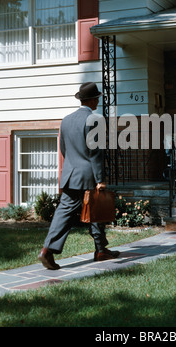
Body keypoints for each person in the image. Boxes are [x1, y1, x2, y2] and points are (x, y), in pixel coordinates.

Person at [38, 82, 120, 270]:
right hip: (88, 174)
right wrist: (100, 179)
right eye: (97, 98)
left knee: (69, 212)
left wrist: (73, 167)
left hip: (70, 173)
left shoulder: (66, 120)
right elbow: (95, 153)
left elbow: (63, 149)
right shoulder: (95, 120)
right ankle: (48, 251)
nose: (98, 101)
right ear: (91, 100)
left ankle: (100, 250)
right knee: (94, 208)